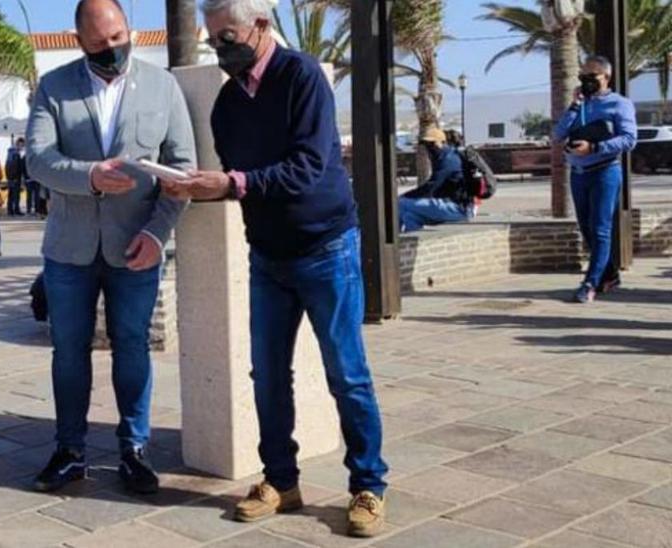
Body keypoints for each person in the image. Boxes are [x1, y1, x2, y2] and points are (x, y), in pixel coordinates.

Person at [163, 0, 390, 537]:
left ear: (261, 26)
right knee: (266, 375)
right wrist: (198, 188)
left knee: (347, 373)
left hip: (326, 248)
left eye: (229, 36)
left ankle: (369, 485)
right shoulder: (225, 103)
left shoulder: (303, 76)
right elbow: (244, 181)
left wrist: (231, 184)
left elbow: (309, 167)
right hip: (267, 255)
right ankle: (281, 480)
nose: (220, 48)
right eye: (213, 39)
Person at [25, 0, 194, 496]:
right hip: (69, 250)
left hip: (136, 247)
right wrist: (91, 178)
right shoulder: (54, 87)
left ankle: (133, 449)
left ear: (130, 30)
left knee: (133, 347)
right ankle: (70, 450)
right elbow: (38, 160)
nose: (112, 49)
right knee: (69, 352)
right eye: (99, 43)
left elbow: (182, 168)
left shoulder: (164, 87)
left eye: (118, 37)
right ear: (79, 41)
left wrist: (156, 233)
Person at [553, 55, 636, 304]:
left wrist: (594, 147)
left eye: (592, 77)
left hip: (605, 172)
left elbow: (629, 139)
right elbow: (558, 134)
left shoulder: (619, 104)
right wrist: (574, 106)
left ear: (606, 77)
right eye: (583, 77)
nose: (586, 81)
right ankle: (609, 274)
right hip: (579, 175)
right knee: (587, 229)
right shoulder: (580, 105)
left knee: (600, 230)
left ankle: (590, 283)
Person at [398, 127, 473, 233]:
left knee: (400, 204)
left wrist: (406, 196)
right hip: (451, 204)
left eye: (432, 143)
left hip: (457, 207)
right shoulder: (443, 157)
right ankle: (412, 243)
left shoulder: (449, 159)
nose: (429, 147)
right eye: (426, 144)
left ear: (442, 142)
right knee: (409, 216)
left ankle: (389, 243)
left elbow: (431, 187)